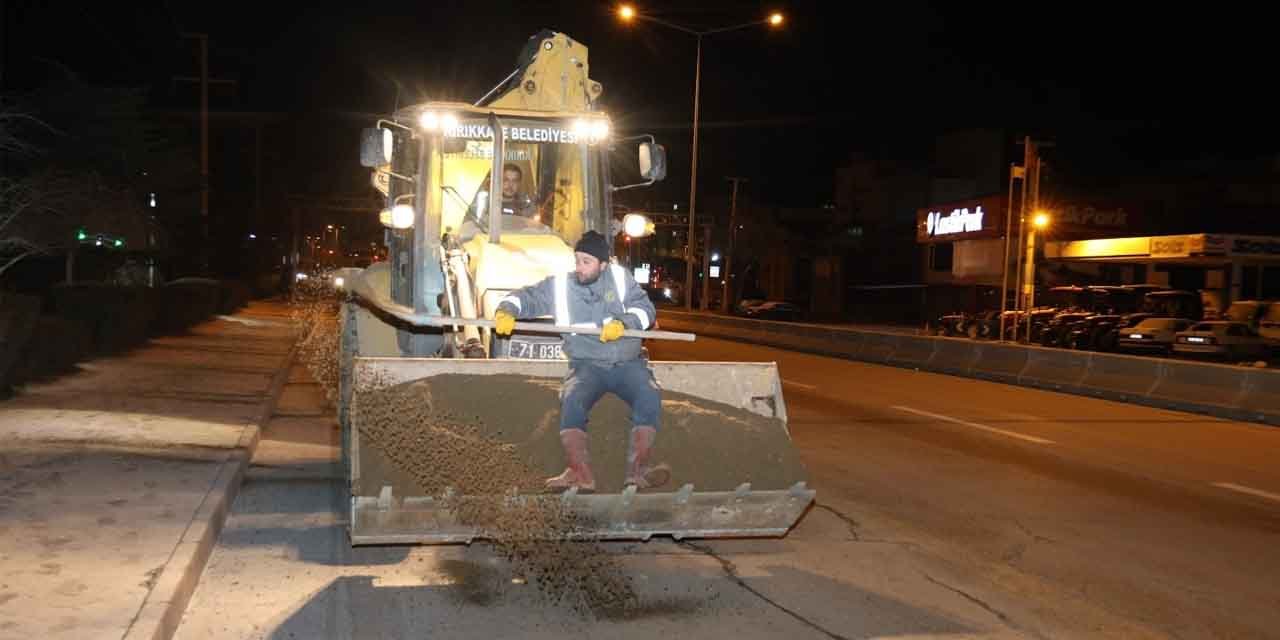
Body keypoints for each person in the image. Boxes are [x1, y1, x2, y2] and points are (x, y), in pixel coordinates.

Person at [492, 230, 669, 492]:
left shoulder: (621, 279)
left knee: (649, 395)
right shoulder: (562, 287)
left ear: (603, 264)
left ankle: (638, 471)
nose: (579, 267)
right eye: (577, 260)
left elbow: (645, 309)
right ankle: (579, 473)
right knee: (572, 399)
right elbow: (527, 297)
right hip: (587, 366)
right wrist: (506, 310)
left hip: (627, 363)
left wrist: (624, 323)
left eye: (587, 262)